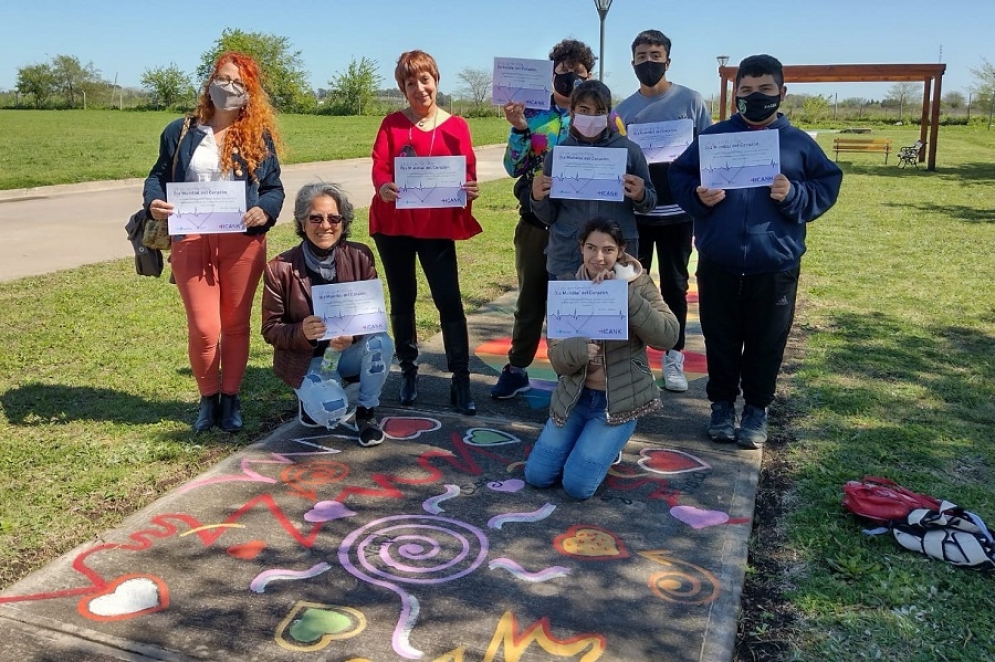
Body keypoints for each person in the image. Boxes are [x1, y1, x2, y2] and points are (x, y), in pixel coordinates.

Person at [669, 54, 842, 448]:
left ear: (782, 93)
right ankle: (721, 406)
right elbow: (680, 174)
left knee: (767, 342)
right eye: (746, 90)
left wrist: (795, 194)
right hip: (719, 261)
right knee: (721, 336)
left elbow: (828, 183)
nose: (755, 97)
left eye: (765, 90)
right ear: (735, 96)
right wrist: (698, 197)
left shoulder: (798, 143)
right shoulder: (713, 138)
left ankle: (756, 410)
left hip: (775, 264)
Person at [144, 51, 284, 433]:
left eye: (239, 84)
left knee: (236, 325)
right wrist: (152, 201)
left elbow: (274, 189)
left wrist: (265, 211)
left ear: (250, 94)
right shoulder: (181, 130)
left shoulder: (259, 137)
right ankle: (208, 399)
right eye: (223, 79)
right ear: (210, 82)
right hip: (191, 239)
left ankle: (231, 399)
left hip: (242, 243)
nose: (229, 88)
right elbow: (157, 175)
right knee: (204, 328)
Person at [524, 218, 678, 500]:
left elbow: (668, 336)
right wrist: (580, 350)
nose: (599, 257)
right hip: (576, 399)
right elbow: (558, 359)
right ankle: (586, 442)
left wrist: (625, 295)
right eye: (591, 248)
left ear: (620, 250)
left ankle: (607, 446)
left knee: (577, 487)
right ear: (581, 248)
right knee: (537, 476)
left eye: (608, 249)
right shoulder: (568, 287)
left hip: (617, 402)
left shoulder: (639, 283)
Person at [370, 50, 482, 416]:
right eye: (410, 82)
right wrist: (384, 186)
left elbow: (467, 170)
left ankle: (461, 379)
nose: (419, 88)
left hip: (435, 225)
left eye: (425, 79)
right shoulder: (391, 124)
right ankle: (408, 372)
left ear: (436, 79)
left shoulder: (457, 126)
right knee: (403, 298)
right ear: (402, 88)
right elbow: (380, 167)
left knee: (448, 299)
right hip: (395, 224)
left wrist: (469, 188)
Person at [490, 39, 596, 401]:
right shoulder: (533, 114)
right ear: (551, 74)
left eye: (577, 73)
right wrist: (519, 128)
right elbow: (512, 167)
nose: (569, 78)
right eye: (562, 72)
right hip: (536, 223)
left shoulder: (602, 118)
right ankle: (517, 367)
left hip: (582, 228)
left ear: (589, 76)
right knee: (530, 300)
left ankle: (575, 374)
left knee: (574, 305)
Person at [610, 29, 712, 393]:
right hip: (634, 217)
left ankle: (673, 355)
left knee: (675, 286)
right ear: (632, 61)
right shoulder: (621, 111)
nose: (649, 62)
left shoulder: (692, 101)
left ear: (668, 60)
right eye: (642, 56)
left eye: (656, 55)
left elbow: (708, 151)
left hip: (678, 214)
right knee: (629, 287)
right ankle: (631, 361)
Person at [261, 183, 394, 447]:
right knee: (331, 411)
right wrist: (301, 332)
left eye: (334, 218)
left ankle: (366, 413)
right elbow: (270, 328)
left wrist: (352, 334)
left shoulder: (360, 255)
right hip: (307, 358)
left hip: (345, 351)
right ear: (302, 221)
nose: (325, 226)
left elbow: (371, 314)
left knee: (381, 341)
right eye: (316, 218)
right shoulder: (280, 268)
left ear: (343, 222)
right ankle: (311, 399)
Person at [531, 80, 656, 280]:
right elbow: (549, 216)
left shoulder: (629, 151)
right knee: (569, 312)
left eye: (599, 111)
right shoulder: (558, 155)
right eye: (584, 109)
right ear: (572, 112)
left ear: (608, 113)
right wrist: (537, 198)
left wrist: (641, 194)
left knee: (615, 310)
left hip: (617, 258)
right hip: (567, 257)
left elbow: (649, 203)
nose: (591, 117)